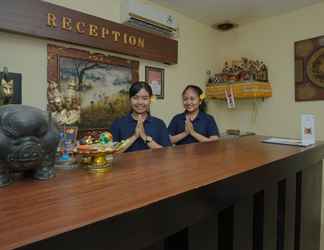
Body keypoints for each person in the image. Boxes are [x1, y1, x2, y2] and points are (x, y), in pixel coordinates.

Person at [110, 81, 171, 153]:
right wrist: (135, 136)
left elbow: (166, 153)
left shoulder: (159, 124)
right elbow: (113, 154)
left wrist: (145, 137)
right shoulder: (118, 124)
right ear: (130, 99)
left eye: (145, 98)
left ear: (150, 100)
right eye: (135, 98)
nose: (140, 102)